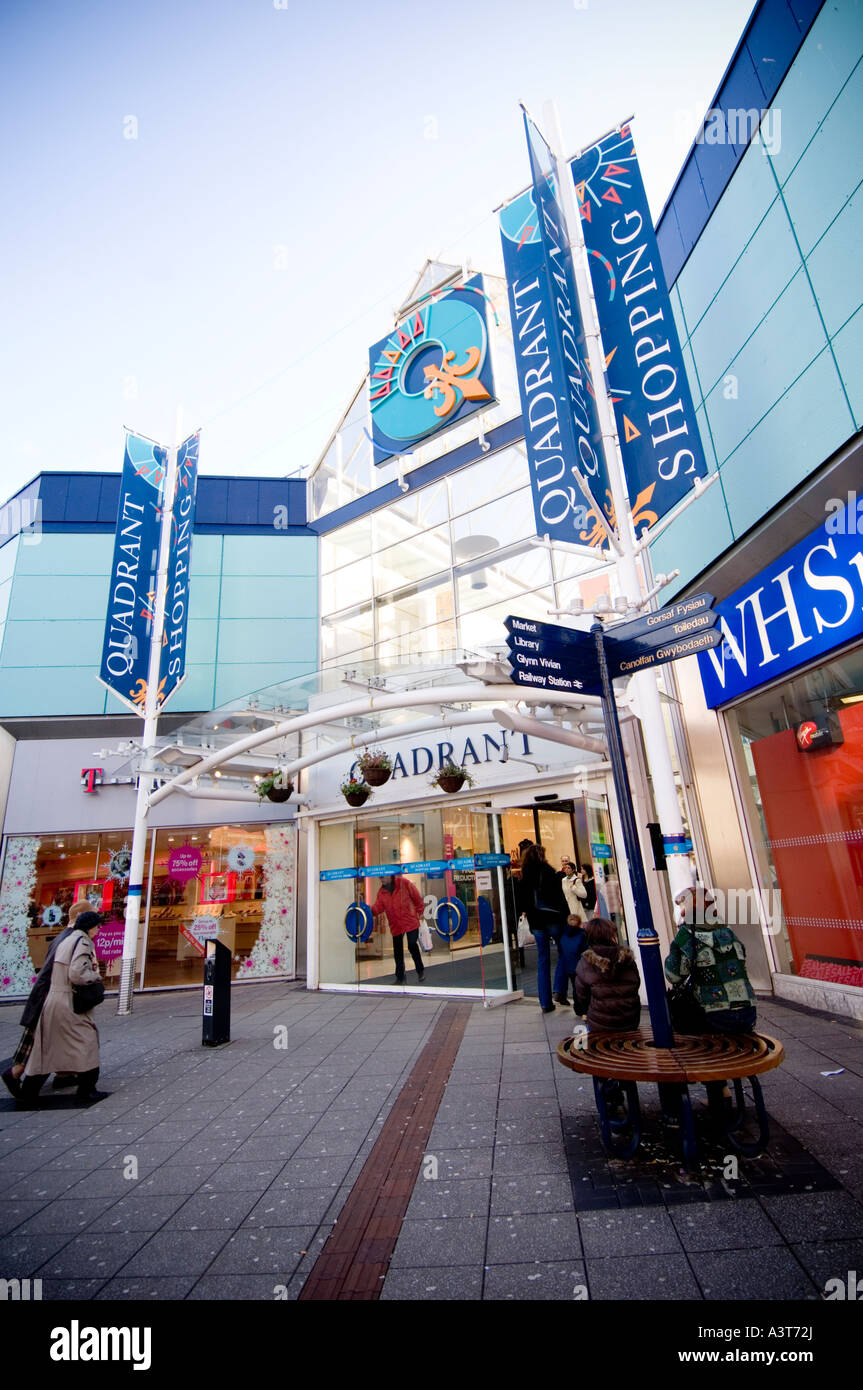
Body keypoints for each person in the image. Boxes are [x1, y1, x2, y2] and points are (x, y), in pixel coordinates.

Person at [1, 899, 95, 1100]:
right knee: (40, 1043)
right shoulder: (73, 938)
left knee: (44, 1040)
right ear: (80, 917)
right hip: (51, 997)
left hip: (49, 996)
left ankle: (63, 1074)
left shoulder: (64, 936)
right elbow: (62, 972)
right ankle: (17, 1075)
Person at [17, 911, 107, 1108]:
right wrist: (96, 977)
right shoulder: (82, 943)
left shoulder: (66, 939)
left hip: (53, 1000)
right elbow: (77, 973)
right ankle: (87, 1091)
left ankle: (28, 1092)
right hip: (69, 1001)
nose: (99, 930)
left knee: (48, 1048)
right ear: (89, 927)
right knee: (87, 1042)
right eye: (97, 926)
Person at [664, 886, 757, 1034]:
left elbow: (673, 976)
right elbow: (741, 959)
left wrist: (675, 948)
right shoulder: (727, 931)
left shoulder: (686, 934)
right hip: (748, 1014)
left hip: (715, 1016)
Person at [516, 843, 568, 1013]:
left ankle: (545, 1003)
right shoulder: (549, 872)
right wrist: (568, 916)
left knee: (542, 960)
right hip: (554, 919)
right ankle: (559, 989)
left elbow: (523, 903)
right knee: (564, 952)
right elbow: (560, 898)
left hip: (537, 923)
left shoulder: (524, 877)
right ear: (542, 855)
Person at [574, 917, 641, 1032]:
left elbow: (582, 995)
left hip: (599, 1024)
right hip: (630, 1021)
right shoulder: (627, 958)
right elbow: (636, 984)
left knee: (581, 1034)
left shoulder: (586, 961)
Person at [371, 875, 425, 984]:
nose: (382, 880)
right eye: (380, 878)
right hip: (396, 925)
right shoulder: (381, 893)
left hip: (410, 921)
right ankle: (400, 977)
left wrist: (420, 911)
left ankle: (420, 971)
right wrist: (368, 910)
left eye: (383, 877)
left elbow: (416, 896)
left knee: (412, 945)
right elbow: (378, 907)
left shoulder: (403, 883)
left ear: (390, 876)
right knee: (398, 951)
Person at [553, 913, 588, 1008]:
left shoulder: (563, 936)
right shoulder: (582, 935)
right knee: (581, 987)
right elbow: (585, 950)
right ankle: (582, 1007)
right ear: (580, 923)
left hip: (568, 966)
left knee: (574, 986)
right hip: (580, 965)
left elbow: (560, 951)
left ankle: (577, 1007)